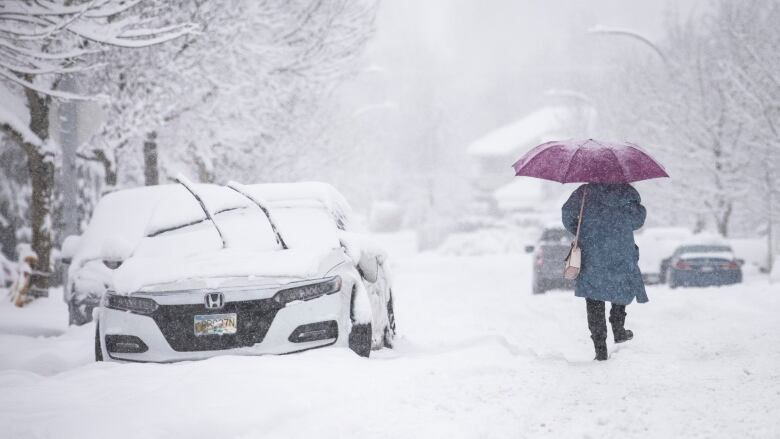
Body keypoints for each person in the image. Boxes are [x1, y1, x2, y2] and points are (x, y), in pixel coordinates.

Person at [562, 183, 647, 361]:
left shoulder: (584, 192)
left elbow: (567, 214)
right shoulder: (626, 191)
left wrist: (584, 227)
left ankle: (600, 348)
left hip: (592, 249)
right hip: (620, 248)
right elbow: (637, 221)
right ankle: (618, 328)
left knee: (594, 298)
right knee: (620, 287)